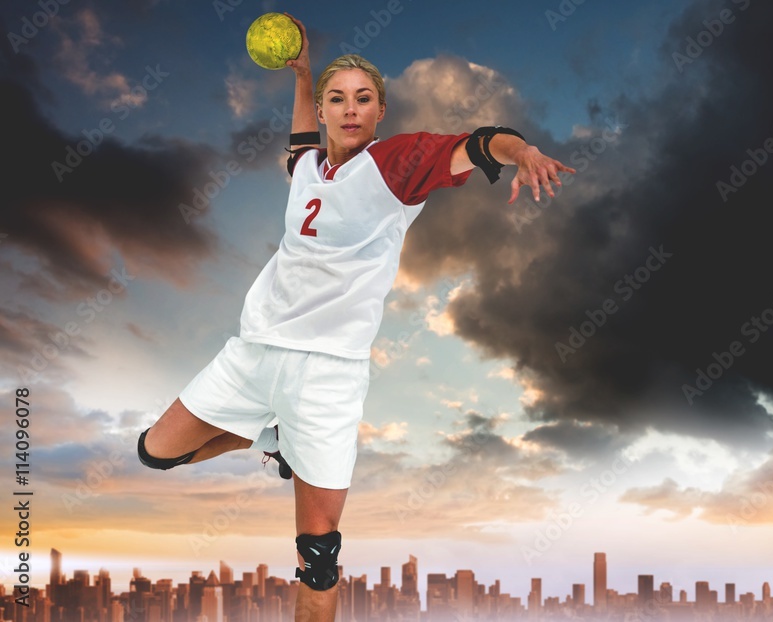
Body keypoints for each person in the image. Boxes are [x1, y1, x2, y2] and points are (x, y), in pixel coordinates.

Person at [137, 14, 575, 622]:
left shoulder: (398, 165)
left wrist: (521, 150)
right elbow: (297, 140)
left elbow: (478, 141)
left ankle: (284, 436)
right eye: (336, 100)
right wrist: (302, 74)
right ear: (324, 111)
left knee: (318, 555)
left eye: (362, 100)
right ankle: (273, 436)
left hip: (328, 376)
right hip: (253, 352)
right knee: (156, 453)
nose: (349, 110)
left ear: (379, 112)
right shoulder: (307, 169)